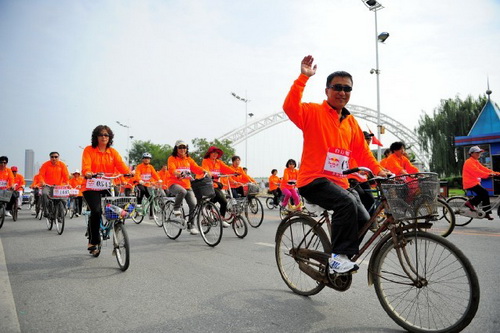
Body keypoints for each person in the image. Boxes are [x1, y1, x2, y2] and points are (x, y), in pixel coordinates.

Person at [283, 55, 389, 274]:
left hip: (339, 182)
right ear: (327, 91)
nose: (342, 92)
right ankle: (337, 258)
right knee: (346, 205)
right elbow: (290, 107)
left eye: (347, 88)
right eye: (337, 87)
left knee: (365, 218)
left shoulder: (350, 122)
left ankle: (340, 256)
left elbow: (362, 152)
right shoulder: (312, 112)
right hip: (313, 180)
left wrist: (379, 170)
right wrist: (303, 77)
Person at [81, 125, 130, 256]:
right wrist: (88, 172)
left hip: (107, 186)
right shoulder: (89, 150)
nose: (104, 137)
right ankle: (93, 241)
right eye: (101, 135)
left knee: (119, 209)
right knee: (96, 211)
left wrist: (129, 173)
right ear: (96, 137)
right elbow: (86, 165)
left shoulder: (112, 152)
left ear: (110, 137)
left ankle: (117, 228)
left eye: (106, 135)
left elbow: (121, 165)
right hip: (90, 187)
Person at [167, 140, 208, 235]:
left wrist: (204, 171)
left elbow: (196, 167)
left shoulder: (188, 159)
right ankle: (176, 208)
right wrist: (178, 173)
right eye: (180, 147)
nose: (182, 149)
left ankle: (191, 225)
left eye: (184, 147)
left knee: (193, 205)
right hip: (174, 183)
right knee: (182, 191)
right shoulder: (172, 158)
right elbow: (172, 169)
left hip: (187, 185)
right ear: (176, 149)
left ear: (186, 149)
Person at [462, 146, 500, 220]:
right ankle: (470, 203)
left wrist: (496, 173)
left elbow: (484, 169)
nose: (479, 154)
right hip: (469, 183)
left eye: (479, 152)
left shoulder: (476, 161)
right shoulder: (469, 162)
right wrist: (488, 175)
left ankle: (486, 213)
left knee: (485, 194)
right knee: (484, 192)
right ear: (471, 153)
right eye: (477, 152)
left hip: (474, 182)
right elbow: (477, 172)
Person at [201, 146, 234, 226]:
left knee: (223, 202)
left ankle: (221, 218)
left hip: (216, 185)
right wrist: (210, 175)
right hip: (208, 184)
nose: (215, 154)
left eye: (217, 153)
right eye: (213, 152)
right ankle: (207, 208)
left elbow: (226, 168)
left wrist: (235, 172)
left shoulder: (219, 162)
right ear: (209, 153)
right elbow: (206, 170)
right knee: (221, 198)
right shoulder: (205, 161)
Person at [347, 132, 376, 215]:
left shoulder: (367, 152)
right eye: (367, 139)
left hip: (363, 179)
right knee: (360, 198)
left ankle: (369, 222)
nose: (369, 141)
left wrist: (381, 170)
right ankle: (361, 221)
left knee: (371, 199)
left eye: (369, 139)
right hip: (352, 178)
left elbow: (372, 162)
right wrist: (358, 170)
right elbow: (350, 160)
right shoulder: (353, 147)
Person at [38, 152, 70, 217]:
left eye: (56, 157)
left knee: (64, 199)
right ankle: (46, 210)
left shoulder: (62, 165)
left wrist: (67, 183)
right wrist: (42, 182)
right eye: (52, 157)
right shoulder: (45, 165)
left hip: (59, 186)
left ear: (58, 157)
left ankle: (61, 212)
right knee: (44, 194)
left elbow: (66, 176)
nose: (54, 158)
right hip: (47, 186)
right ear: (50, 158)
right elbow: (41, 175)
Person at [134, 152, 162, 219]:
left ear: (150, 160)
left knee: (151, 198)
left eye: (148, 158)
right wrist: (140, 180)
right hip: (139, 184)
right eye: (145, 158)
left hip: (147, 185)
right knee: (141, 191)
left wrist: (159, 180)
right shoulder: (139, 166)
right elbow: (137, 174)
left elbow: (155, 174)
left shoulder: (151, 167)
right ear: (142, 159)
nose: (147, 160)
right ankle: (139, 209)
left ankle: (152, 215)